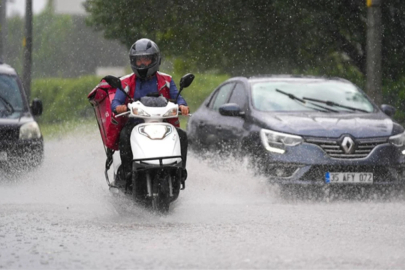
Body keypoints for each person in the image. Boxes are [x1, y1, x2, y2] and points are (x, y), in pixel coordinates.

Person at [111, 38, 189, 182]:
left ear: (155, 59)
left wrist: (182, 106)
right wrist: (118, 107)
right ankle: (128, 173)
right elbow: (115, 102)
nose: (142, 63)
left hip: (163, 122)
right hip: (135, 124)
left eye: (146, 59)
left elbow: (178, 97)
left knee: (182, 136)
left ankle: (180, 173)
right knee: (124, 135)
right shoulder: (126, 82)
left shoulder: (166, 79)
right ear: (133, 61)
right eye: (138, 60)